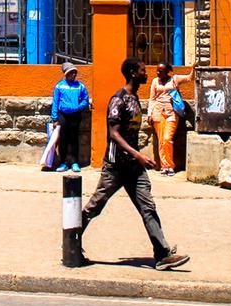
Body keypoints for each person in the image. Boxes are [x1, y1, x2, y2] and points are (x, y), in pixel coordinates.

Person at [76, 57, 189, 270]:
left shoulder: (135, 98)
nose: (147, 74)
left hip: (134, 169)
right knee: (95, 206)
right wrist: (139, 155)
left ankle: (162, 254)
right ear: (132, 73)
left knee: (148, 206)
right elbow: (114, 134)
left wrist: (137, 159)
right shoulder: (119, 99)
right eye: (143, 71)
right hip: (116, 166)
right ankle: (71, 242)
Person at [51, 63, 92, 172]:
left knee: (74, 139)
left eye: (75, 72)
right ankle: (63, 163)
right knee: (63, 139)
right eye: (71, 73)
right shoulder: (59, 86)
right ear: (66, 74)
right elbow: (55, 102)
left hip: (75, 115)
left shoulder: (80, 86)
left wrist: (79, 107)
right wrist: (55, 118)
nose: (73, 74)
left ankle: (74, 162)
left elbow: (85, 99)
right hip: (63, 115)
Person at [147, 62, 180, 176]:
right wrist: (149, 113)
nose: (157, 72)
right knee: (161, 140)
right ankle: (164, 166)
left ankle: (170, 165)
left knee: (167, 139)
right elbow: (152, 98)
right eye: (157, 70)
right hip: (158, 112)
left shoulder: (174, 80)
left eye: (160, 71)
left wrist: (194, 68)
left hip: (171, 112)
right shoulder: (155, 81)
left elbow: (190, 78)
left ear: (167, 71)